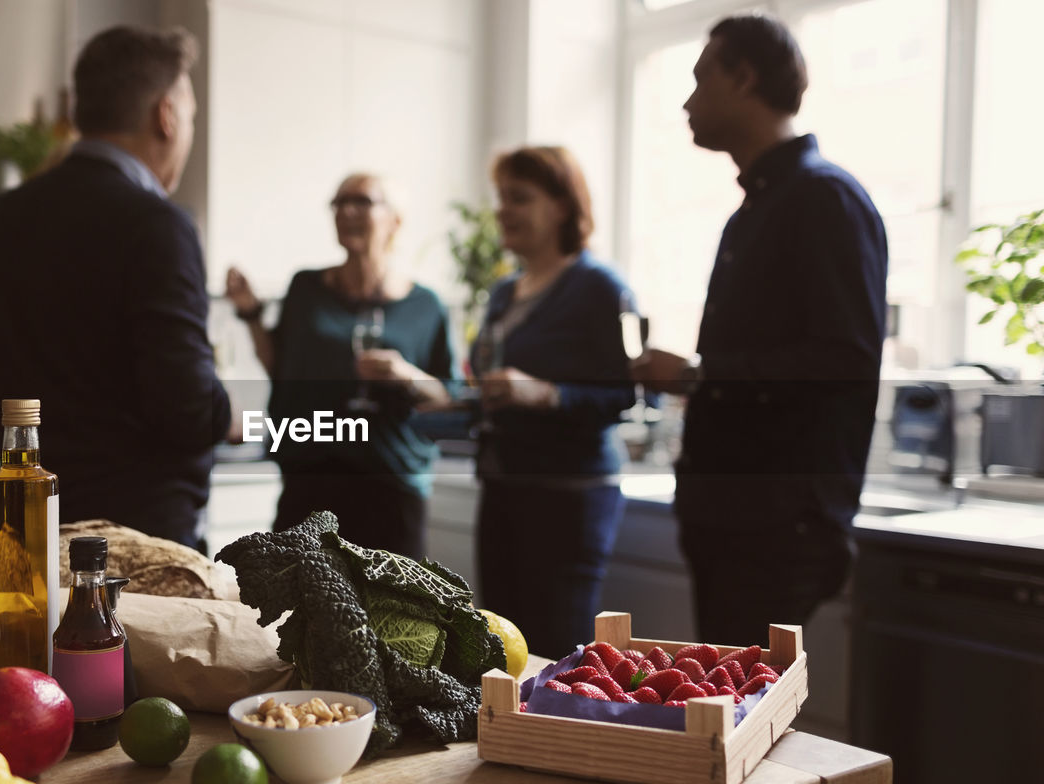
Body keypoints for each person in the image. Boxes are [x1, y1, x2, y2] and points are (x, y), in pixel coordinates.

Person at [631, 13, 888, 648]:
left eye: (699, 79)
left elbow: (843, 360)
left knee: (748, 729)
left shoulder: (825, 199)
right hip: (733, 519)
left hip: (776, 529)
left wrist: (695, 374)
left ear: (744, 78)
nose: (688, 101)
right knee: (731, 722)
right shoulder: (755, 212)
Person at [0, 25, 230, 552]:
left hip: (28, 532)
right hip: (138, 547)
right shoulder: (158, 224)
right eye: (189, 115)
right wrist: (226, 413)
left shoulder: (2, 219)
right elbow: (187, 409)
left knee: (27, 640)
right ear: (165, 116)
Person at [223, 173, 453, 560]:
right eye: (339, 202)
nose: (347, 211)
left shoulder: (425, 306)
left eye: (362, 201)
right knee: (297, 611)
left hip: (389, 487)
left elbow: (447, 395)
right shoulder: (306, 288)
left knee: (390, 615)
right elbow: (280, 365)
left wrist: (405, 374)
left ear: (395, 219)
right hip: (310, 482)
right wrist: (250, 312)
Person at [472, 146, 639, 660]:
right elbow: (486, 382)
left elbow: (625, 394)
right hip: (502, 488)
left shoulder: (601, 289)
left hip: (569, 501)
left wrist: (544, 393)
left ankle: (559, 743)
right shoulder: (502, 294)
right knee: (500, 647)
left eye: (519, 198)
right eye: (502, 199)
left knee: (558, 651)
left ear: (563, 206)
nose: (504, 211)